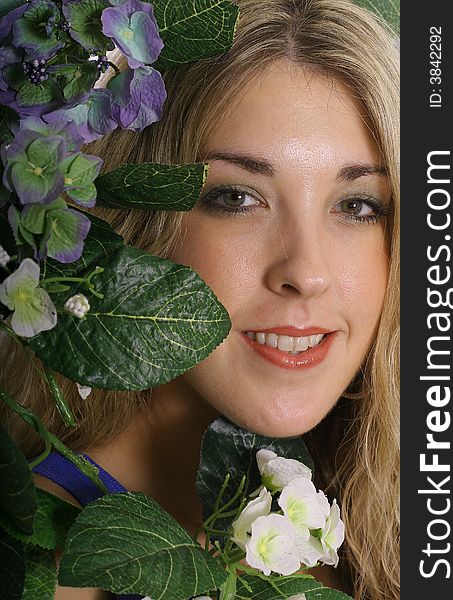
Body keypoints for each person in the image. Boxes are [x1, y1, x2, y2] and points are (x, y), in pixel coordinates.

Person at [0, 1, 399, 599]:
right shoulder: (45, 569)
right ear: (137, 222)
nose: (307, 273)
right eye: (237, 198)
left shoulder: (400, 519)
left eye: (357, 205)